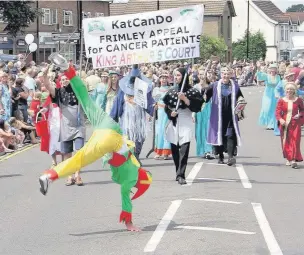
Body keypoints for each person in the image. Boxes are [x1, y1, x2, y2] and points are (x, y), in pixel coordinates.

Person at [39, 65, 152, 232]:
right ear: (139, 182)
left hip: (109, 126)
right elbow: (126, 201)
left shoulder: (135, 165)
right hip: (109, 140)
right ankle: (49, 176)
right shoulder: (130, 178)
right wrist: (129, 223)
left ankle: (69, 70)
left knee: (85, 99)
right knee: (79, 159)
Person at [43, 69, 85, 186]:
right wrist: (45, 75)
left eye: (66, 78)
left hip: (79, 126)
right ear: (60, 82)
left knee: (78, 152)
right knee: (67, 153)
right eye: (62, 79)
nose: (64, 80)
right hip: (66, 127)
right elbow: (48, 86)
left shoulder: (78, 91)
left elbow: (82, 87)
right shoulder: (59, 93)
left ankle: (77, 175)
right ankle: (69, 176)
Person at [163, 67, 203, 185]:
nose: (176, 77)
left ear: (184, 76)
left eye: (179, 75)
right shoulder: (171, 91)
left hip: (186, 120)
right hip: (174, 121)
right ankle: (177, 171)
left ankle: (181, 174)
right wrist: (171, 113)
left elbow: (197, 106)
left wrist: (185, 99)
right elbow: (166, 107)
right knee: (174, 148)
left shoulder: (192, 91)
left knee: (184, 148)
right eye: (175, 75)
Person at [110, 65, 154, 165]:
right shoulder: (123, 89)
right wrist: (113, 117)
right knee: (127, 138)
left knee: (140, 137)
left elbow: (149, 101)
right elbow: (118, 102)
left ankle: (136, 155)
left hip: (140, 118)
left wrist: (153, 106)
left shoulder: (144, 89)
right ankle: (130, 157)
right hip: (127, 118)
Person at [206, 67, 244, 166]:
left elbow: (240, 96)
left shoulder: (235, 86)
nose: (226, 76)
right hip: (218, 115)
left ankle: (231, 157)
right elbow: (206, 96)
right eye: (224, 74)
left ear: (231, 75)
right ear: (221, 75)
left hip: (230, 115)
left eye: (228, 74)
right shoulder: (214, 86)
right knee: (220, 134)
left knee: (230, 135)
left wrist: (241, 102)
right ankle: (221, 155)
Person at [275, 82, 304, 169]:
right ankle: (288, 157)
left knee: (295, 141)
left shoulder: (298, 100)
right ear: (285, 90)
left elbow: (302, 110)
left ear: (294, 90)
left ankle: (293, 159)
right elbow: (277, 112)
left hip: (295, 124)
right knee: (286, 141)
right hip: (285, 124)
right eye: (288, 89)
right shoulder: (281, 100)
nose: (289, 91)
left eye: (291, 89)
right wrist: (280, 119)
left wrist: (299, 115)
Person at [193, 67, 214, 159]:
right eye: (200, 74)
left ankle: (208, 150)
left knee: (208, 129)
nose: (202, 76)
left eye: (203, 74)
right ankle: (202, 150)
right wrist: (193, 113)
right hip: (199, 110)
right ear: (198, 75)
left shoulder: (211, 86)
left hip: (209, 109)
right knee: (199, 130)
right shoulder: (195, 87)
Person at [152, 71, 172, 160]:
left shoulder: (170, 89)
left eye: (165, 78)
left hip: (167, 112)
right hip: (160, 112)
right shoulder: (157, 90)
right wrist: (155, 106)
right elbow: (156, 101)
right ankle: (158, 152)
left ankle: (166, 153)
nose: (164, 79)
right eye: (162, 78)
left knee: (167, 131)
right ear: (159, 79)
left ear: (167, 79)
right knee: (159, 131)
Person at [259, 64, 281, 130]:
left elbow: (280, 85)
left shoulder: (278, 77)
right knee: (266, 108)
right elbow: (260, 76)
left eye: (274, 68)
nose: (273, 70)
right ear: (269, 69)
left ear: (276, 70)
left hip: (275, 93)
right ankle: (268, 123)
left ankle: (272, 124)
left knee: (274, 108)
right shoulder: (267, 76)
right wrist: (258, 68)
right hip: (267, 94)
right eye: (272, 68)